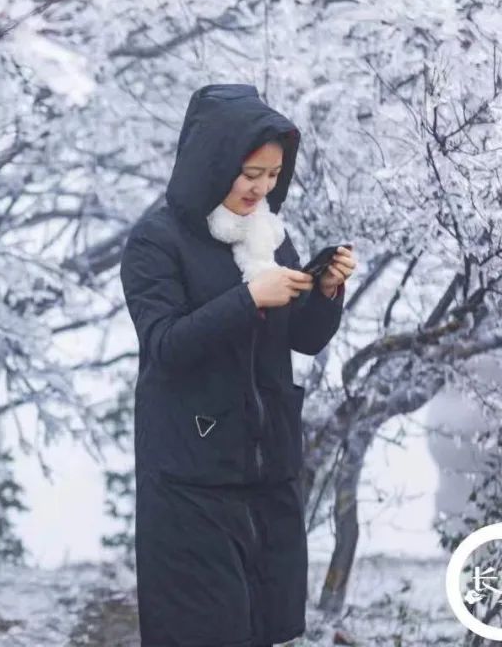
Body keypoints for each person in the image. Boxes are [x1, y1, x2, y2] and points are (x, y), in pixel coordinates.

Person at [119, 83, 356, 646]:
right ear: (213, 161)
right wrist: (248, 299)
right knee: (205, 632)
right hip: (190, 478)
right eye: (251, 173)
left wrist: (325, 290)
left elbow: (303, 340)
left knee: (260, 630)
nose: (262, 188)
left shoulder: (268, 236)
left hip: (266, 471)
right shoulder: (156, 241)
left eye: (273, 175)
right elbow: (165, 345)